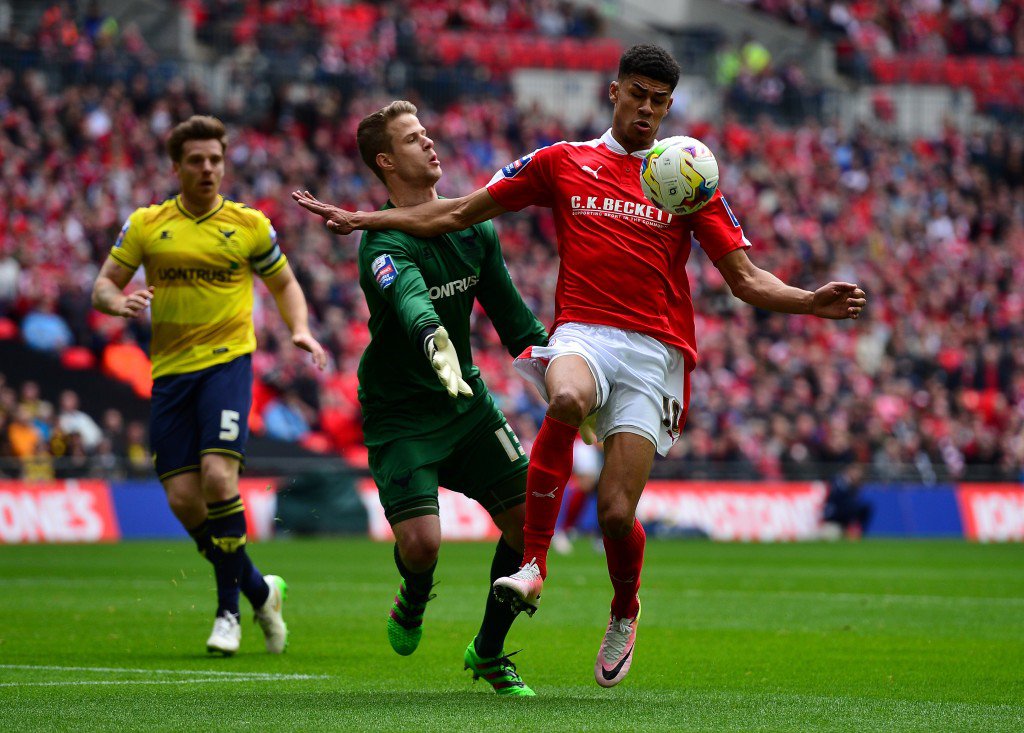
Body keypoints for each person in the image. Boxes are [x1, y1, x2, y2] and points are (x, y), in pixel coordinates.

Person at [292, 44, 867, 687]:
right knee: (563, 399)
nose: (648, 108)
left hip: (655, 350)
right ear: (614, 91)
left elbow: (746, 279)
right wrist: (361, 218)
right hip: (584, 333)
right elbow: (456, 211)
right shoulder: (561, 163)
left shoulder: (688, 177)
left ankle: (625, 608)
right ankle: (533, 563)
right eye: (638, 94)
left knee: (617, 514)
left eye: (661, 100)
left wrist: (808, 300)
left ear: (669, 107)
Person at [92, 114, 327, 656]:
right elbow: (103, 285)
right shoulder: (148, 225)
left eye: (215, 160)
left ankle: (228, 613)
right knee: (182, 498)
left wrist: (300, 329)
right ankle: (260, 589)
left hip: (227, 364)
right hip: (170, 373)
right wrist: (117, 303)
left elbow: (285, 283)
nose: (207, 168)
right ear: (176, 166)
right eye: (196, 160)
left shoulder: (248, 225)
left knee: (220, 480)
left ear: (225, 164)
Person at [348, 101, 548, 696]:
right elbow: (412, 303)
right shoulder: (382, 240)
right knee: (423, 545)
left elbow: (514, 319)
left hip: (466, 405)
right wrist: (435, 341)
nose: (430, 144)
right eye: (413, 139)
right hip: (402, 415)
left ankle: (488, 652)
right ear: (387, 161)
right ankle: (414, 592)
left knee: (529, 526)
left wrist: (563, 377)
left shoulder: (474, 225)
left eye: (427, 134)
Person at [822, 462, 873, 539]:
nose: (857, 475)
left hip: (846, 510)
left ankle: (860, 531)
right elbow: (837, 497)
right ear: (849, 471)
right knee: (851, 505)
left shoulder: (856, 484)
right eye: (856, 472)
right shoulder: (838, 480)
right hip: (835, 512)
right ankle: (847, 528)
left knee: (865, 507)